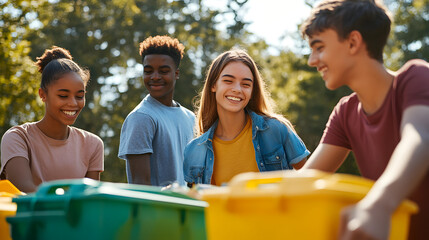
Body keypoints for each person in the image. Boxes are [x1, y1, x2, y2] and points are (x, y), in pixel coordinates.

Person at [300, 0, 429, 239]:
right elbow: (305, 182)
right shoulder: (345, 113)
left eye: (318, 47)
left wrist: (380, 205)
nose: (312, 60)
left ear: (353, 42)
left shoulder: (415, 77)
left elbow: (419, 138)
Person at [183, 49, 310, 186]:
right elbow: (195, 202)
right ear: (213, 85)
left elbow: (310, 179)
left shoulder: (276, 130)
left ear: (252, 91)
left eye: (246, 84)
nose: (237, 89)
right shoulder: (194, 150)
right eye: (228, 81)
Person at [0, 46, 104, 193]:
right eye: (63, 96)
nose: (73, 103)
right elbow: (24, 193)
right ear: (43, 95)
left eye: (80, 96)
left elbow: (89, 201)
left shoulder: (93, 145)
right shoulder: (18, 138)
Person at [118, 35, 195, 187]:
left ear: (176, 74)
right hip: (156, 211)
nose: (154, 77)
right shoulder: (141, 118)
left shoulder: (191, 118)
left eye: (163, 71)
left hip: (187, 209)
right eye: (148, 71)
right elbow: (141, 186)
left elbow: (193, 178)